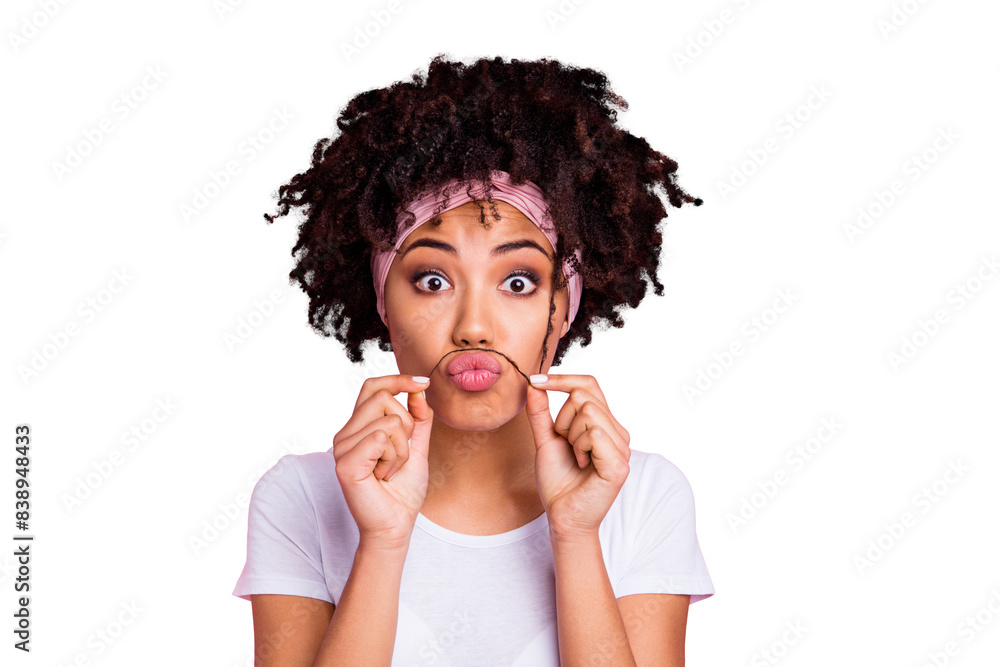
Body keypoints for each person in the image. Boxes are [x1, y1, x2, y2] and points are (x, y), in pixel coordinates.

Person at [233, 53, 715, 666]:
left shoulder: (642, 495)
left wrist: (575, 536)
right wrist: (382, 542)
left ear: (561, 304)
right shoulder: (302, 497)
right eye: (433, 281)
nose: (474, 328)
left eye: (517, 282)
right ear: (384, 298)